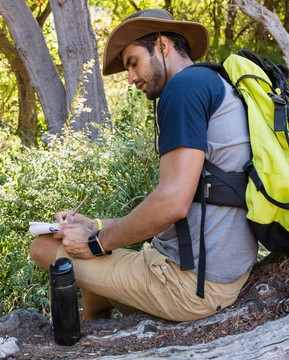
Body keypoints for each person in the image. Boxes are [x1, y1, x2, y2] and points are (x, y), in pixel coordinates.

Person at [30, 8, 258, 322]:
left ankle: (91, 328)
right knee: (78, 240)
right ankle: (96, 326)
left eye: (133, 63)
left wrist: (96, 242)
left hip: (190, 287)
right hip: (221, 276)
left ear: (162, 46)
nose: (131, 78)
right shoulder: (213, 81)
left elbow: (172, 204)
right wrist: (94, 226)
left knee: (42, 247)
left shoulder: (183, 89)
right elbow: (187, 200)